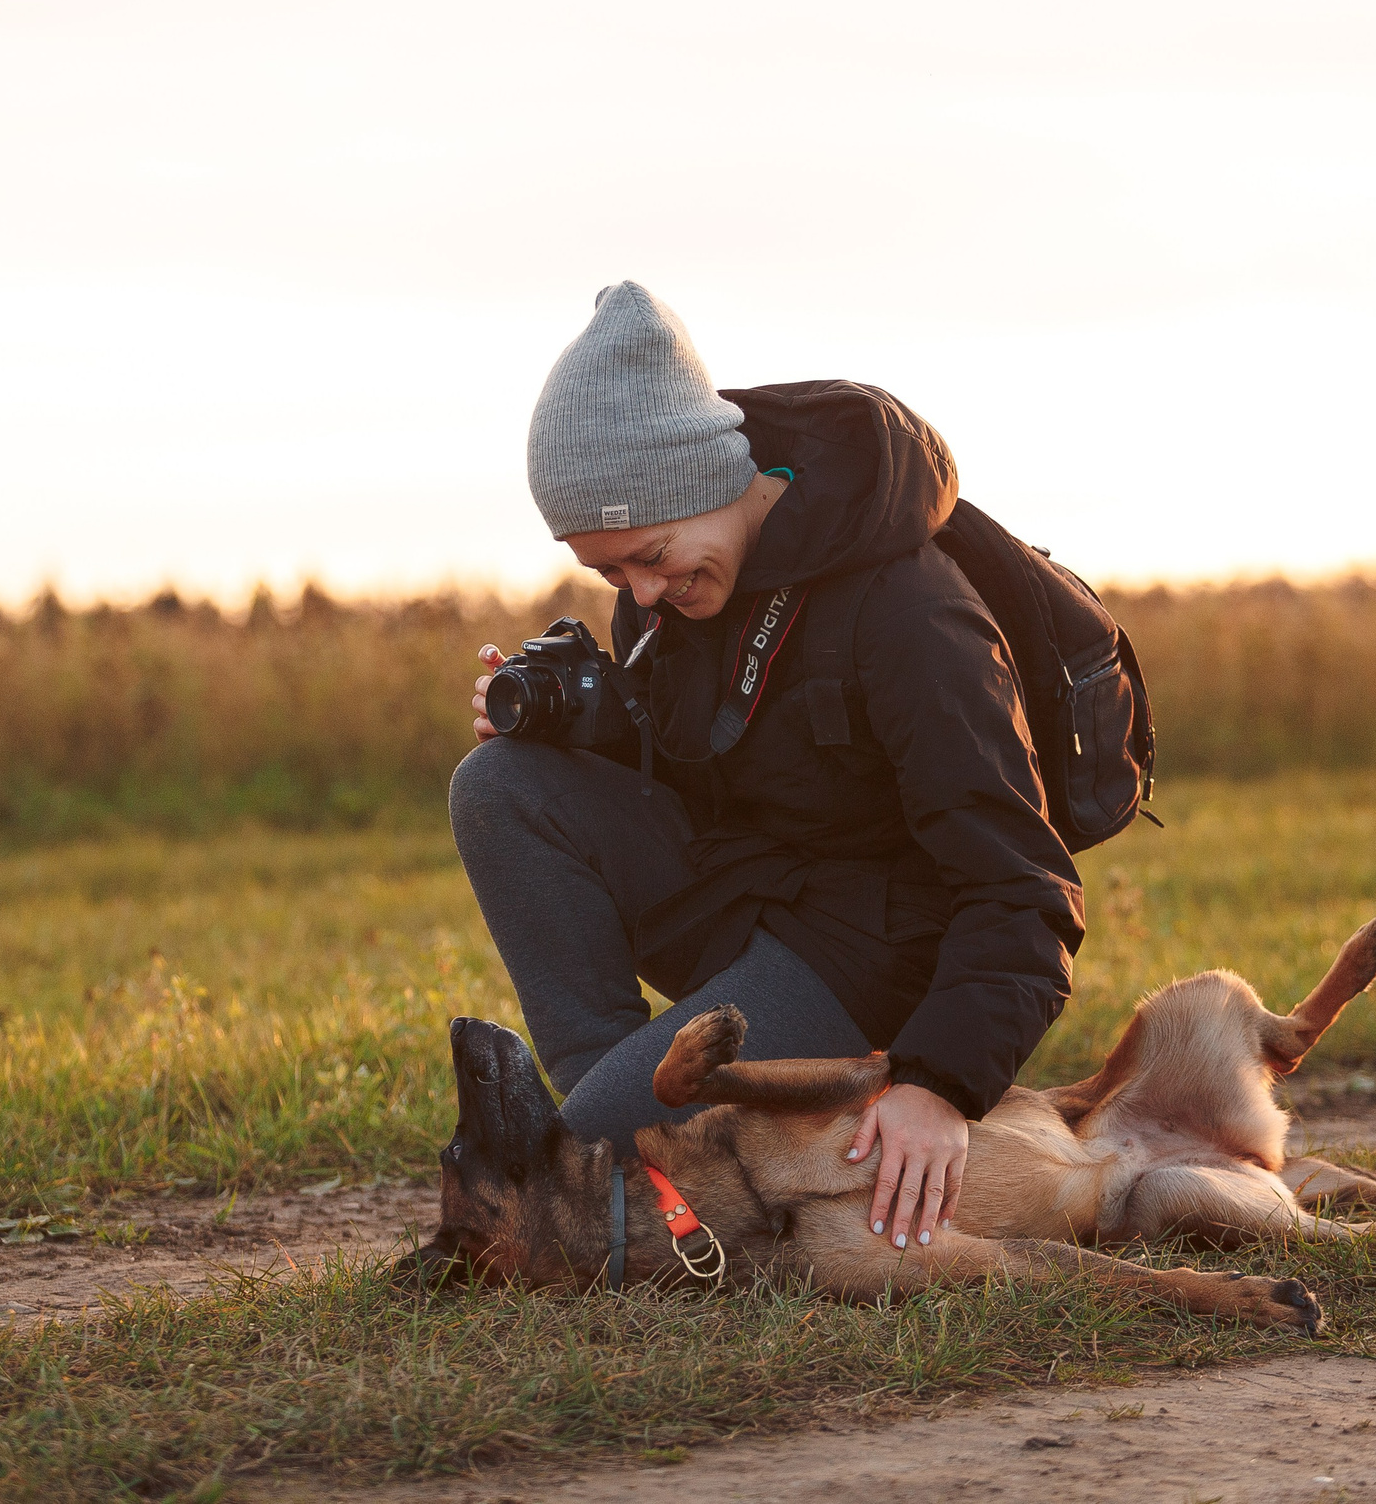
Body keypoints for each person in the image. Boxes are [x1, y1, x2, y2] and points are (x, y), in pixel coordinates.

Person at [448, 282, 1083, 1254]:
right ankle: (615, 1131)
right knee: (499, 788)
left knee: (579, 1153)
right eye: (612, 575)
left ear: (700, 479)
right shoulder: (675, 598)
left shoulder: (912, 614)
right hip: (758, 887)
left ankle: (610, 1158)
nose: (642, 593)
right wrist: (585, 729)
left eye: (650, 556)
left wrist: (936, 1085)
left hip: (875, 944)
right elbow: (722, 762)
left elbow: (1025, 890)